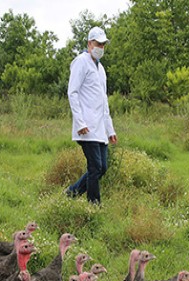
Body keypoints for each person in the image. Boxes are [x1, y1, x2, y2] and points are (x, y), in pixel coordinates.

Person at [65, 26, 117, 205]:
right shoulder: (81, 62)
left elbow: (103, 100)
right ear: (89, 43)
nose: (100, 47)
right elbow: (73, 92)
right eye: (98, 43)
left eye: (103, 44)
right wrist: (80, 122)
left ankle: (71, 193)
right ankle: (94, 205)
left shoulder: (101, 69)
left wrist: (110, 129)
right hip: (86, 126)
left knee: (102, 168)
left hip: (100, 127)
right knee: (95, 168)